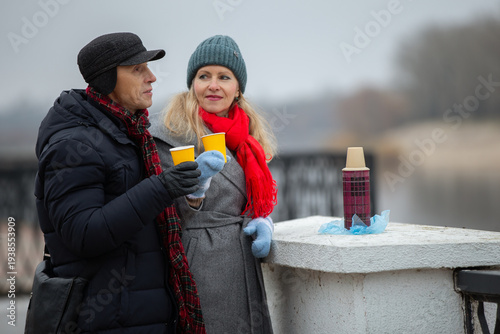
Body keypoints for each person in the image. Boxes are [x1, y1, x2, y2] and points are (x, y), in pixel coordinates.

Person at [34, 32, 207, 333]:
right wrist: (162, 188)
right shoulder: (74, 145)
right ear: (106, 80)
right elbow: (84, 233)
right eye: (137, 69)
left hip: (137, 314)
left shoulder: (127, 131)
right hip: (105, 318)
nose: (152, 77)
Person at [150, 35, 277, 333]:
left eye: (224, 77)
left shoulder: (247, 137)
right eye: (203, 76)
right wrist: (197, 190)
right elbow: (167, 207)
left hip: (243, 259)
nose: (213, 85)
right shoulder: (171, 133)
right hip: (200, 262)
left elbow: (251, 198)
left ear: (238, 88)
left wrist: (264, 221)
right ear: (192, 83)